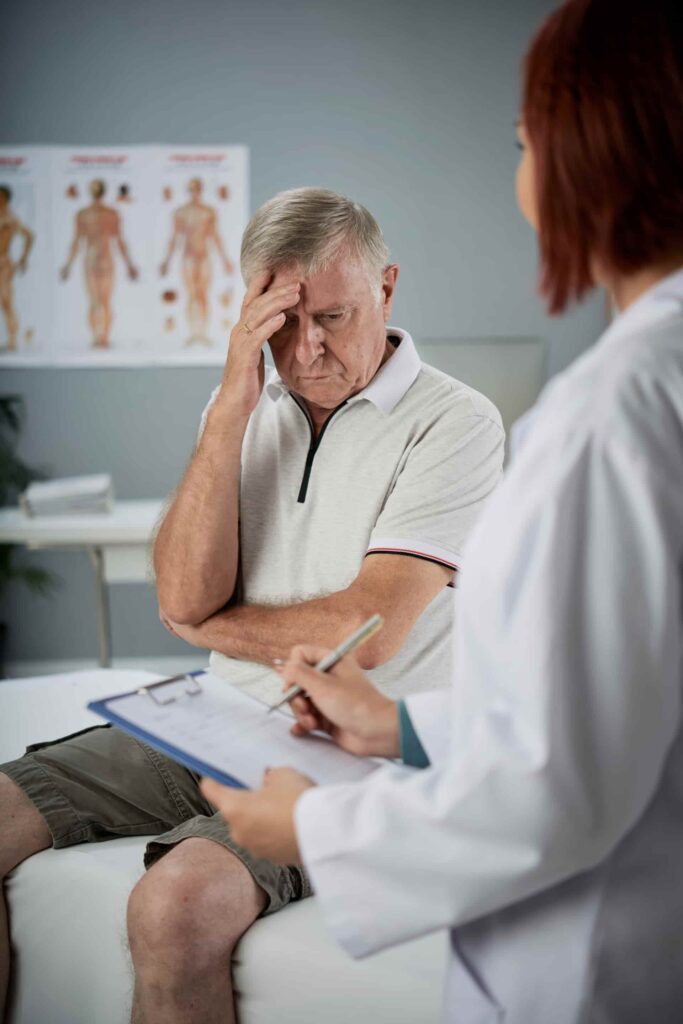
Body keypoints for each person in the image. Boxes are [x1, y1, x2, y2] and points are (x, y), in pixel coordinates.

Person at [203, 3, 683, 1022]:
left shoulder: (613, 413)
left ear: (594, 151)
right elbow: (620, 703)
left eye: (524, 138)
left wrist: (320, 830)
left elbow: (560, 786)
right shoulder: (651, 388)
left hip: (604, 961)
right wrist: (406, 727)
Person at [0, 187, 505, 1024]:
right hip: (210, 716)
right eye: (280, 324)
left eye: (334, 318)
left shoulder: (455, 422)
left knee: (174, 905)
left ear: (386, 288)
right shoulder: (241, 406)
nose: (305, 349)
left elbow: (363, 631)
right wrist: (232, 404)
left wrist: (209, 630)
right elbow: (181, 594)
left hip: (349, 750)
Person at [59, 177, 139, 349]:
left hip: (103, 259)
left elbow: (119, 241)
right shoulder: (83, 214)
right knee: (95, 300)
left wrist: (129, 265)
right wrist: (68, 265)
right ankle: (97, 336)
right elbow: (77, 241)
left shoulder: (110, 214)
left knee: (104, 300)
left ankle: (104, 337)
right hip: (92, 260)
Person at [160, 177, 235, 345]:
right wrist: (166, 261)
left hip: (204, 257)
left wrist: (225, 261)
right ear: (189, 190)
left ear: (201, 190)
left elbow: (215, 236)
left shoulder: (209, 211)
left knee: (202, 294)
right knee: (192, 294)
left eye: (198, 189)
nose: (195, 193)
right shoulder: (181, 212)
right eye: (192, 189)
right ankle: (193, 332)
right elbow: (175, 238)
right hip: (188, 257)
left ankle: (202, 332)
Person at [0, 185, 34, 352]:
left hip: (3, 264)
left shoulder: (10, 219)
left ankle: (12, 339)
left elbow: (29, 235)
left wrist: (23, 259)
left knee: (6, 302)